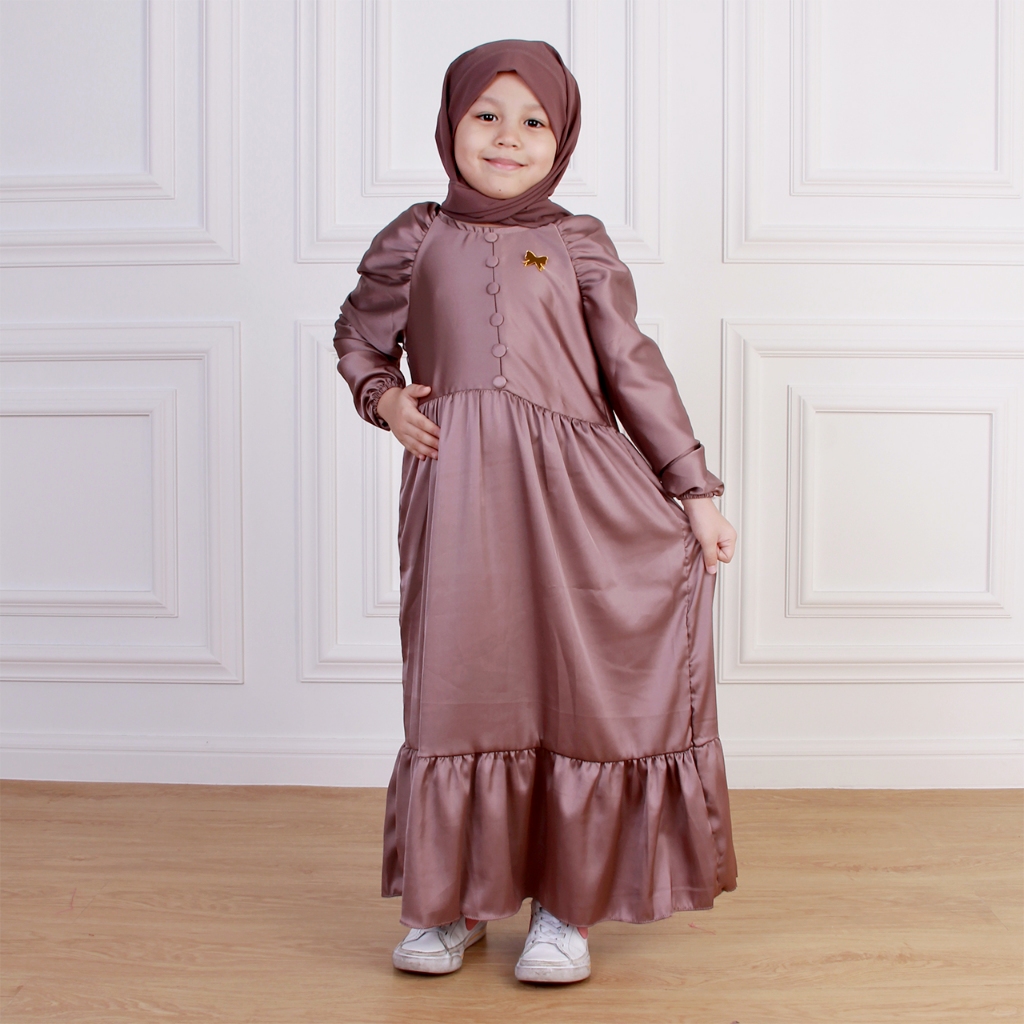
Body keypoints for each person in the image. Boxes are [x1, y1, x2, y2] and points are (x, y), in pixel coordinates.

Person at [333, 39, 738, 985]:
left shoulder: (577, 242)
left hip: (579, 499)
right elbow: (360, 336)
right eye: (486, 115)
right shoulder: (415, 237)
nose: (507, 138)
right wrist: (384, 400)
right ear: (450, 123)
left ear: (562, 139)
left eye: (533, 121)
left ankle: (567, 903)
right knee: (461, 681)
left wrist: (694, 489)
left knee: (573, 688)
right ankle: (453, 902)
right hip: (458, 494)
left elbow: (632, 368)